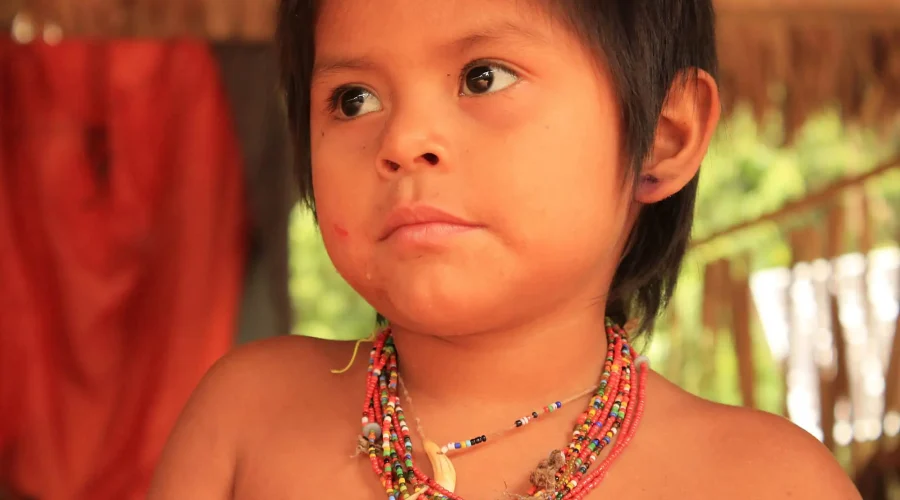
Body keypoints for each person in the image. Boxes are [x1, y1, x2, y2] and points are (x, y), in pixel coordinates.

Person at [148, 1, 862, 498]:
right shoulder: (246, 418)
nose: (401, 142)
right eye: (353, 99)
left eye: (482, 77)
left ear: (663, 136)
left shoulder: (768, 482)